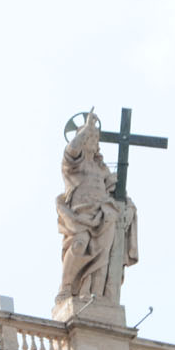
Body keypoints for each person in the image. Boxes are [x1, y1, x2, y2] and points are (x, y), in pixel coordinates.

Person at [56, 114, 137, 305]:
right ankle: (66, 288)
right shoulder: (73, 165)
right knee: (80, 244)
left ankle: (97, 297)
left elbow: (116, 192)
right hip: (80, 215)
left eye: (95, 138)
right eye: (89, 138)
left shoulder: (102, 169)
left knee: (103, 256)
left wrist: (128, 206)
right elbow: (71, 150)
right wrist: (85, 130)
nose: (92, 141)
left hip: (103, 216)